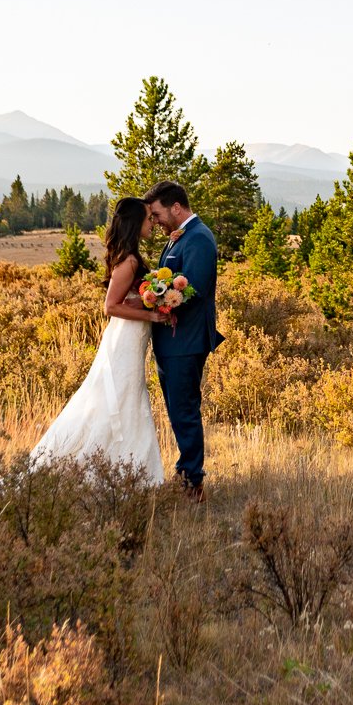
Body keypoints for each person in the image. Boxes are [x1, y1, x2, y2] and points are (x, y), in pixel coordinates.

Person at [27, 197, 171, 485]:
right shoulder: (129, 261)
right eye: (147, 219)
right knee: (121, 398)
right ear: (134, 224)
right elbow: (111, 306)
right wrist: (152, 316)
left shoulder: (132, 256)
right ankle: (119, 471)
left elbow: (132, 298)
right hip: (124, 339)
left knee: (126, 397)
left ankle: (126, 467)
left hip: (131, 336)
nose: (152, 223)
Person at [144, 180, 223, 501]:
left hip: (185, 341)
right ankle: (185, 475)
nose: (156, 221)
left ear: (176, 207)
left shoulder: (200, 239)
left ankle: (193, 483)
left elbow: (193, 290)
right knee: (178, 410)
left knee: (185, 411)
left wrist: (152, 301)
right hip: (173, 342)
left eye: (158, 214)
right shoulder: (180, 238)